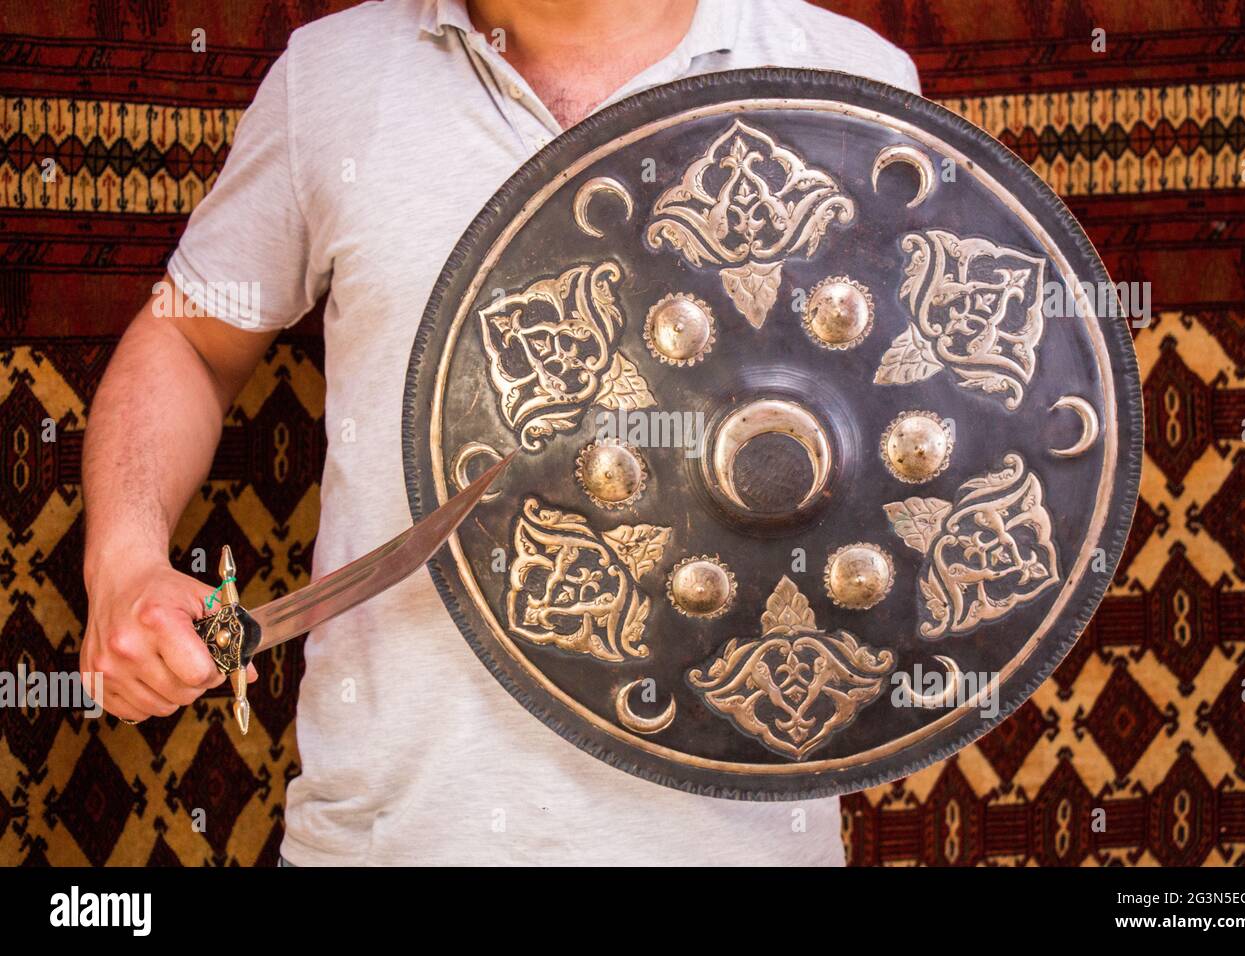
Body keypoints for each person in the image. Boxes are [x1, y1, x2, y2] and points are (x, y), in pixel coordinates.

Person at [81, 0, 920, 865]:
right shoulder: (330, 81)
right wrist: (122, 562)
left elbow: (922, 439)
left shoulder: (851, 82)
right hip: (393, 839)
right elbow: (188, 338)